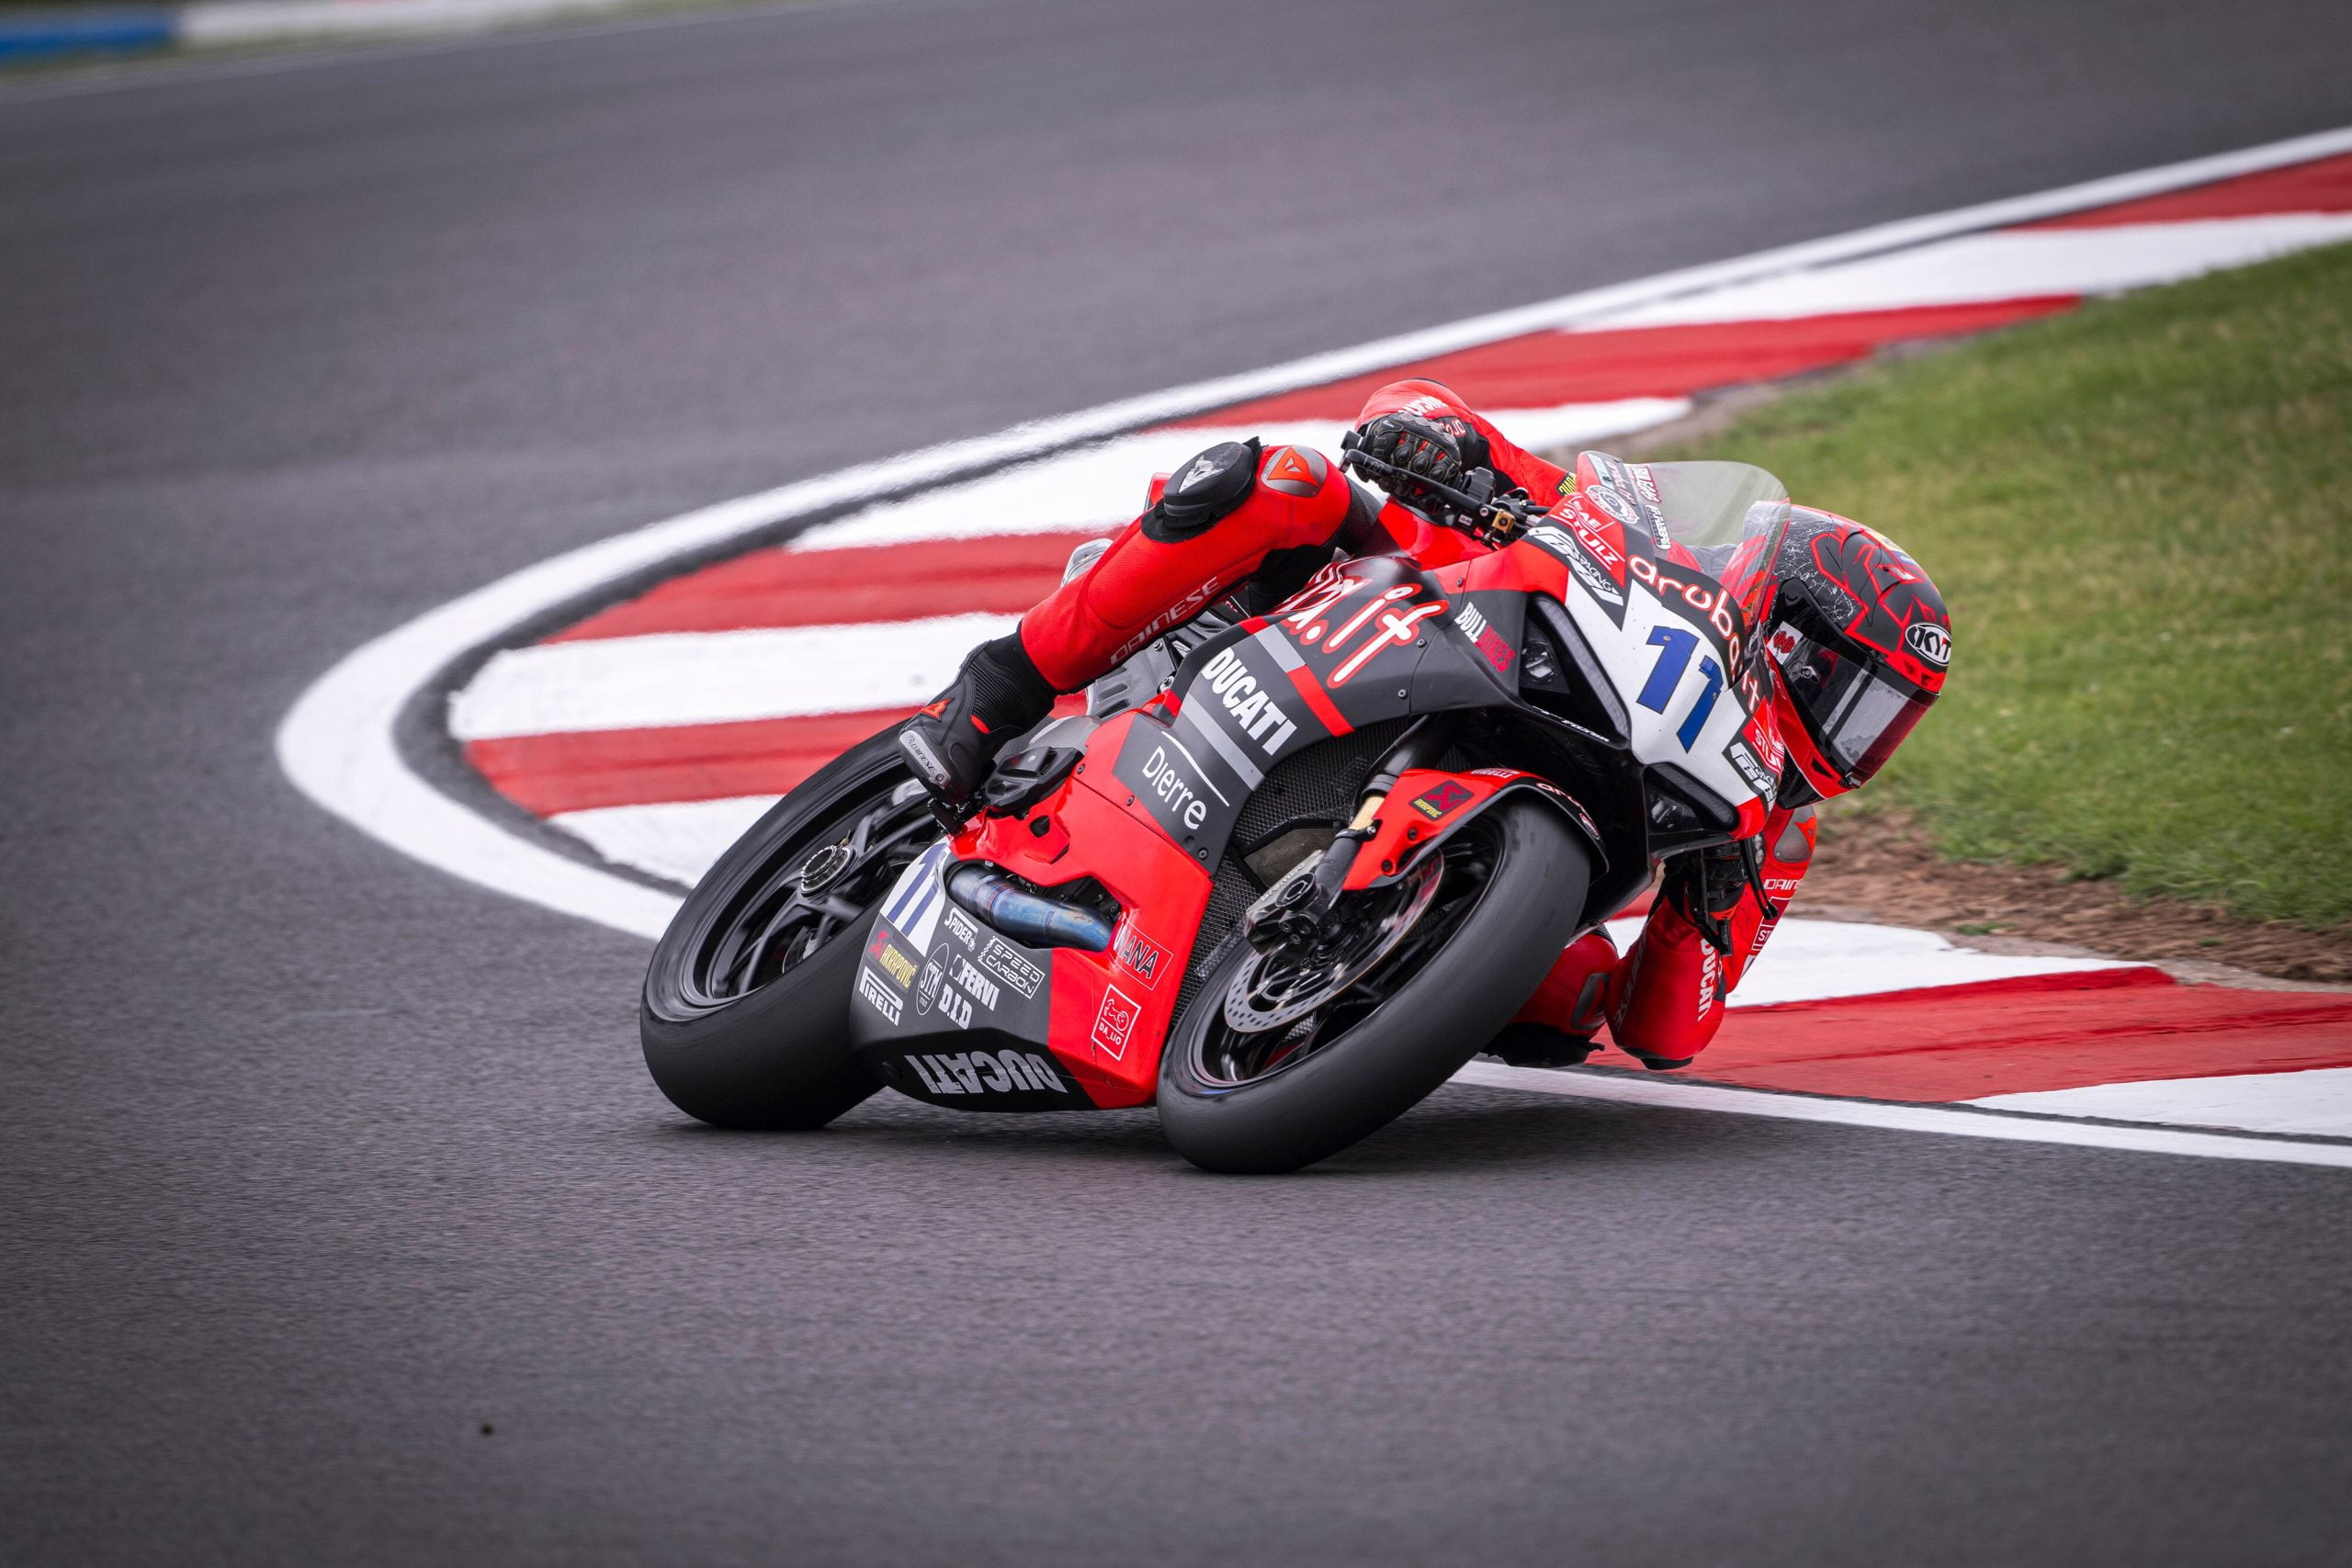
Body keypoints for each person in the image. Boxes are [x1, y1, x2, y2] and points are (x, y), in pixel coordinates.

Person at [897, 379, 1951, 1071]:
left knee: (1569, 995)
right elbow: (1428, 416)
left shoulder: (1771, 824)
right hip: (1368, 621)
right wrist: (1447, 456)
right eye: (1853, 700)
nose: (1855, 743)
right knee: (1280, 482)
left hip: (1472, 843)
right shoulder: (1640, 545)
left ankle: (1354, 984)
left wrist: (1710, 889)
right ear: (1784, 636)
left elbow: (1665, 1030)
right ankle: (991, 692)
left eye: (1885, 727)